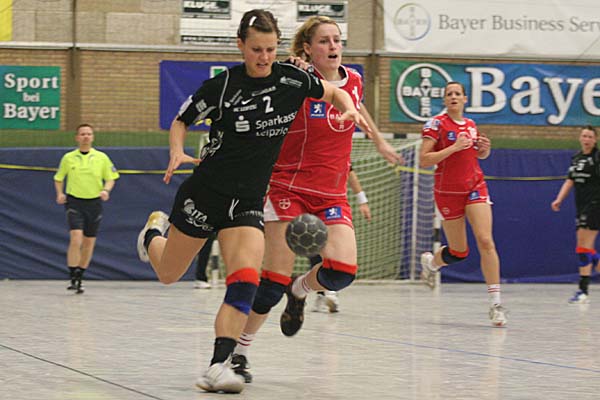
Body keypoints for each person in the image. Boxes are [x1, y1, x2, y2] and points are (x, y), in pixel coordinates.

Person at [135, 9, 371, 394]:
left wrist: (346, 106)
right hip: (206, 193)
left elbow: (332, 91)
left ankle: (219, 366)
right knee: (168, 273)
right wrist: (176, 150)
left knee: (245, 281)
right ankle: (152, 234)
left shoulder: (291, 79)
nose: (263, 57)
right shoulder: (223, 86)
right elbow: (181, 119)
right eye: (256, 49)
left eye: (270, 49)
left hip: (247, 200)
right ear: (241, 46)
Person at [230, 15, 403, 383]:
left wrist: (379, 141)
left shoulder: (354, 80)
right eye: (324, 41)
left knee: (342, 272)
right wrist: (288, 67)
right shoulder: (295, 79)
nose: (333, 46)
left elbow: (358, 108)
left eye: (337, 40)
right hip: (287, 187)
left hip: (331, 192)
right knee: (270, 283)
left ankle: (300, 290)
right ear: (307, 48)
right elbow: (263, 84)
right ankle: (239, 354)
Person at [418, 81, 508, 327]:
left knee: (486, 240)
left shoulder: (470, 124)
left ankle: (496, 304)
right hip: (447, 192)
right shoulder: (436, 124)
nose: (454, 97)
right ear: (445, 100)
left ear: (465, 99)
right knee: (459, 251)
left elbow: (474, 155)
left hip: (474, 186)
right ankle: (431, 263)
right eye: (449, 94)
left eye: (458, 93)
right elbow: (424, 159)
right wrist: (454, 147)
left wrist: (484, 151)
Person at [53, 123, 119, 294]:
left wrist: (106, 190)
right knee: (76, 238)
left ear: (93, 137)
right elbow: (58, 178)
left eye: (89, 134)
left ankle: (80, 276)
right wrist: (60, 193)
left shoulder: (101, 157)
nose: (86, 137)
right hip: (74, 202)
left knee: (89, 242)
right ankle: (72, 273)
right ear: (77, 137)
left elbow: (111, 178)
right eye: (82, 134)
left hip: (94, 203)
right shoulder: (68, 158)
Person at [551, 125, 600, 304]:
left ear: (595, 140)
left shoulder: (597, 158)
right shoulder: (577, 158)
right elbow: (570, 180)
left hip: (595, 205)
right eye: (584, 136)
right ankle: (583, 290)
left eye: (590, 137)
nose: (586, 139)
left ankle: (583, 291)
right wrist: (559, 199)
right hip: (581, 206)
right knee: (584, 248)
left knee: (583, 248)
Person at [312, 167, 372, 313]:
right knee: (313, 244)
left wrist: (362, 201)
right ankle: (321, 292)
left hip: (331, 203)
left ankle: (329, 291)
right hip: (305, 198)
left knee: (330, 246)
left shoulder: (338, 156)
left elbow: (349, 171)